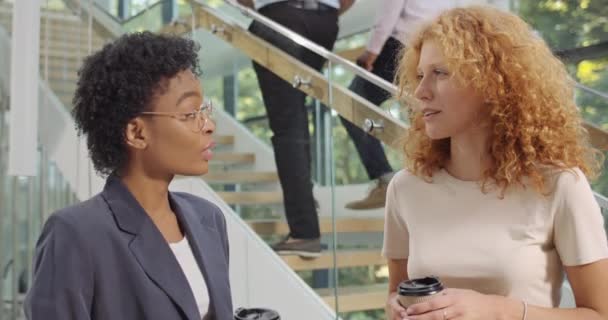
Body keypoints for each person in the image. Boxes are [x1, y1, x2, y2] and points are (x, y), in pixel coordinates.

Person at [383, 6, 608, 320]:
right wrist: (395, 305)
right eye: (420, 76)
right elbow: (396, 292)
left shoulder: (560, 185)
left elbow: (599, 314)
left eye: (440, 73)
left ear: (491, 83)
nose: (420, 92)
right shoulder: (406, 188)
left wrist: (497, 310)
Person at [24, 32, 233, 320]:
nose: (208, 125)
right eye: (188, 114)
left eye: (203, 111)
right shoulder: (76, 233)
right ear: (136, 133)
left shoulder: (208, 220)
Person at [236, 0, 353, 257]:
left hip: (279, 18)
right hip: (325, 23)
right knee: (296, 113)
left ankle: (304, 232)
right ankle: (306, 207)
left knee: (288, 126)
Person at [343, 0, 472, 210]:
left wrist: (371, 52)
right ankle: (439, 181)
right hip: (435, 47)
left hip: (400, 46)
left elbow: (388, 15)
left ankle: (384, 178)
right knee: (426, 115)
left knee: (351, 101)